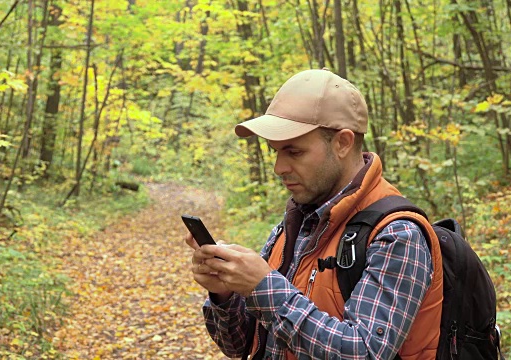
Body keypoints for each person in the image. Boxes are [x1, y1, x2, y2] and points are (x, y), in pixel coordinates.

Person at [185, 69, 443, 360]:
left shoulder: (397, 235)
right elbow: (240, 346)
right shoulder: (295, 225)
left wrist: (263, 286)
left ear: (343, 143)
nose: (278, 168)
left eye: (294, 152)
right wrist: (225, 293)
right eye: (275, 152)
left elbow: (365, 352)